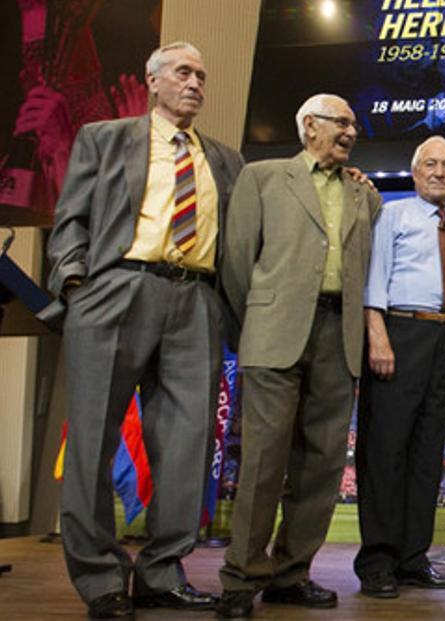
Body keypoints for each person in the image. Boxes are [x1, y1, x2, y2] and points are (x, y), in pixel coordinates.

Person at [45, 41, 243, 618]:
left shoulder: (226, 159)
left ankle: (161, 572)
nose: (195, 84)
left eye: (203, 76)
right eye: (184, 72)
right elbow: (70, 219)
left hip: (198, 300)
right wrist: (78, 286)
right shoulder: (104, 137)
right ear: (152, 81)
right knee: (91, 442)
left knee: (186, 446)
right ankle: (101, 579)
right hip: (117, 289)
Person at [214, 94, 382, 617]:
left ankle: (292, 573)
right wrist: (259, 320)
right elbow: (238, 262)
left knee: (322, 465)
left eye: (354, 125)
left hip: (339, 334)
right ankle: (241, 577)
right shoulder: (263, 178)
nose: (351, 132)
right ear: (309, 126)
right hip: (275, 332)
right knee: (264, 461)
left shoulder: (363, 194)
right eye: (342, 123)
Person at [355, 135, 445, 596]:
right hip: (398, 334)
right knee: (386, 450)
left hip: (443, 341)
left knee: (427, 454)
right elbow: (373, 276)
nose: (440, 171)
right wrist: (377, 335)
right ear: (415, 170)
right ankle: (378, 561)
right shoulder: (393, 214)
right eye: (431, 163)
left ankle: (412, 557)